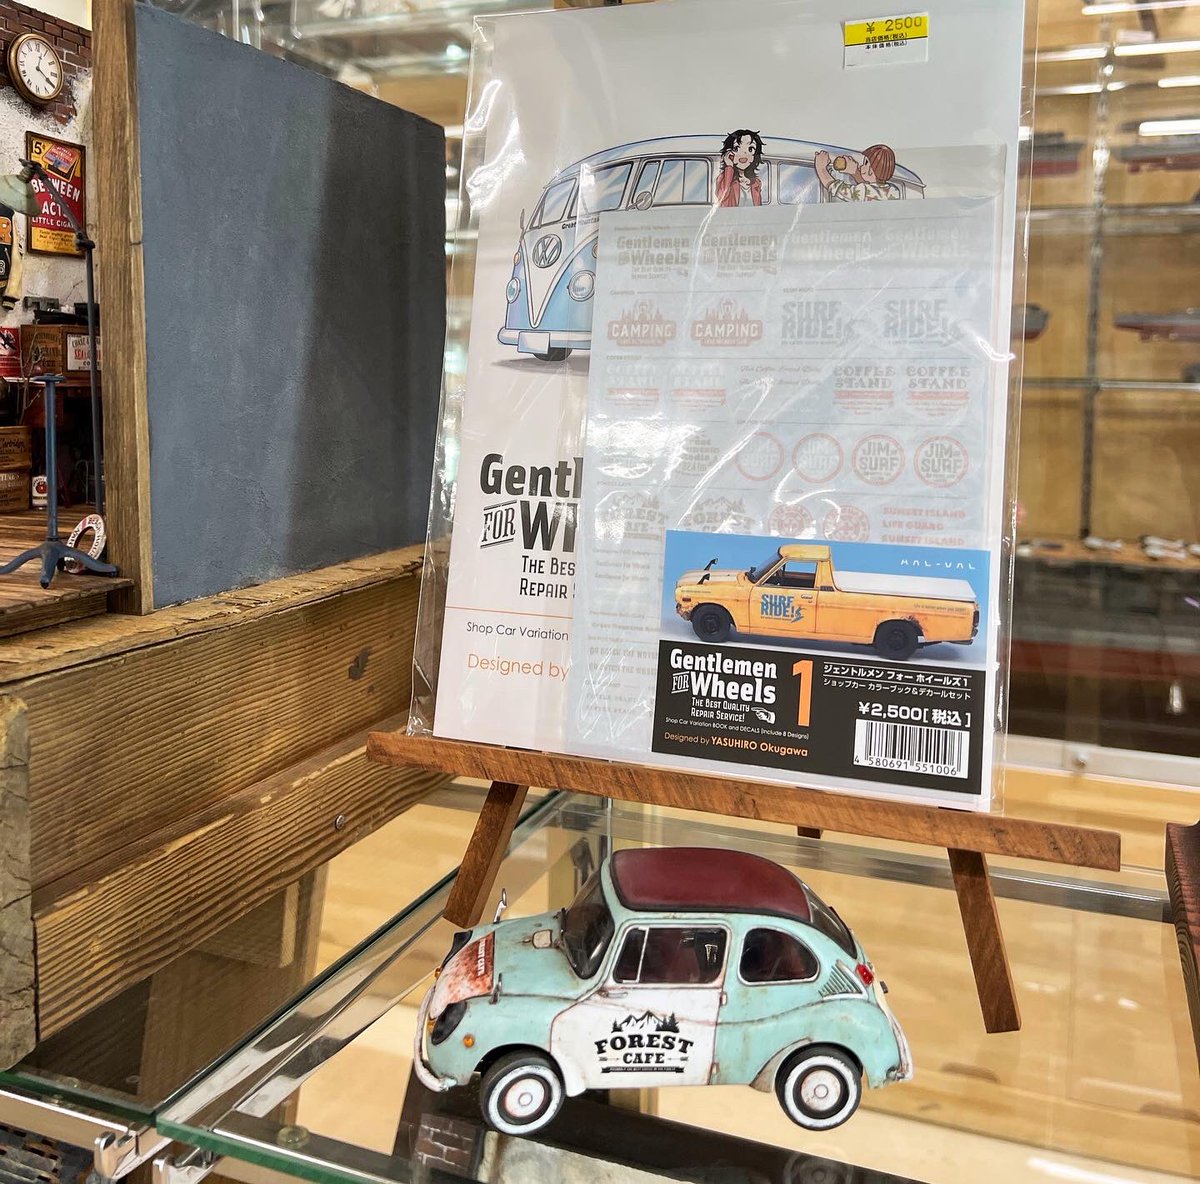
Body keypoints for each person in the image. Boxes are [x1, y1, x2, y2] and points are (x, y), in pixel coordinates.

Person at [815, 144, 903, 201]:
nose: (861, 166)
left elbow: (835, 187)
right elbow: (870, 188)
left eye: (865, 163)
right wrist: (854, 172)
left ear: (871, 170)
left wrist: (821, 168)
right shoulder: (894, 190)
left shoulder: (863, 191)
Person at [716, 130, 765, 208]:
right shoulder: (724, 178)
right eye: (736, 148)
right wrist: (729, 166)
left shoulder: (756, 182)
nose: (744, 153)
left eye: (750, 149)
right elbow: (721, 197)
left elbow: (758, 207)